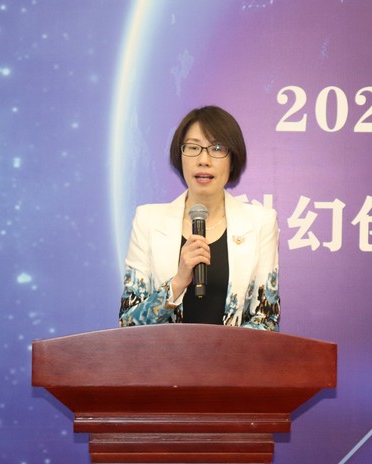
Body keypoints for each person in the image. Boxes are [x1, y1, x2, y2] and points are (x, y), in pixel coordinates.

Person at [119, 106, 280, 331]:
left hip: (231, 355)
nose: (204, 160)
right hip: (165, 355)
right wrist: (177, 283)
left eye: (217, 148)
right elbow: (127, 323)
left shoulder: (261, 223)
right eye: (193, 148)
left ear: (233, 159)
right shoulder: (148, 221)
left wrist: (219, 352)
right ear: (180, 156)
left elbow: (267, 319)